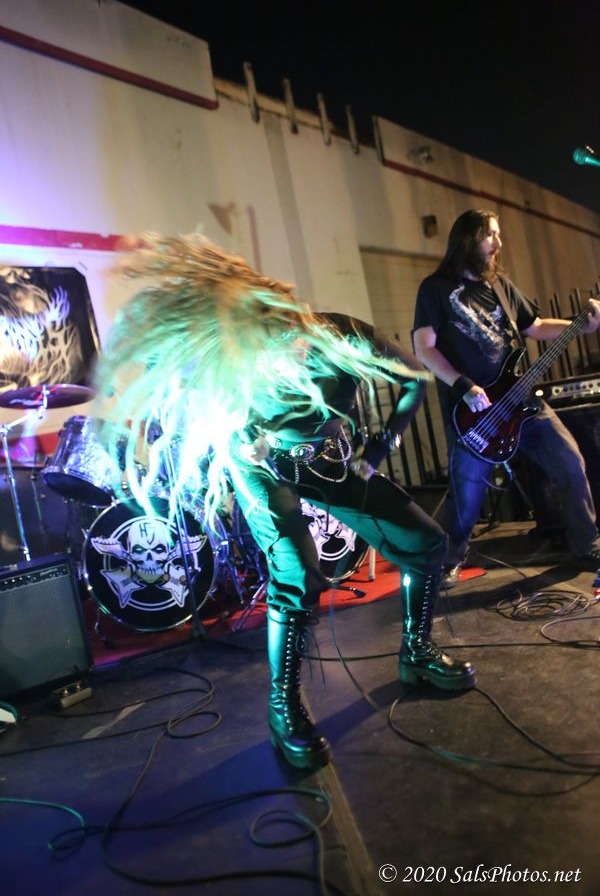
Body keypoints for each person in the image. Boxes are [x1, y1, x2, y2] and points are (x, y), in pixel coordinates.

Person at [95, 233, 476, 773]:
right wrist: (238, 437)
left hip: (331, 463)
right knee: (297, 570)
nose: (283, 357)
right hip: (262, 469)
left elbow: (413, 381)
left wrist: (381, 446)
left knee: (426, 542)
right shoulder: (238, 358)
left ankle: (416, 653)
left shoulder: (345, 335)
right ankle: (283, 708)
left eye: (291, 343)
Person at [413, 209, 600, 586]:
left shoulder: (501, 286)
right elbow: (424, 347)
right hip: (475, 414)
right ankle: (450, 559)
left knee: (569, 461)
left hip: (522, 402)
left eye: (498, 235)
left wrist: (580, 325)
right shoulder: (435, 289)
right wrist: (463, 386)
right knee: (467, 497)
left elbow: (535, 326)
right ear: (468, 239)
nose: (498, 243)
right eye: (491, 235)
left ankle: (587, 543)